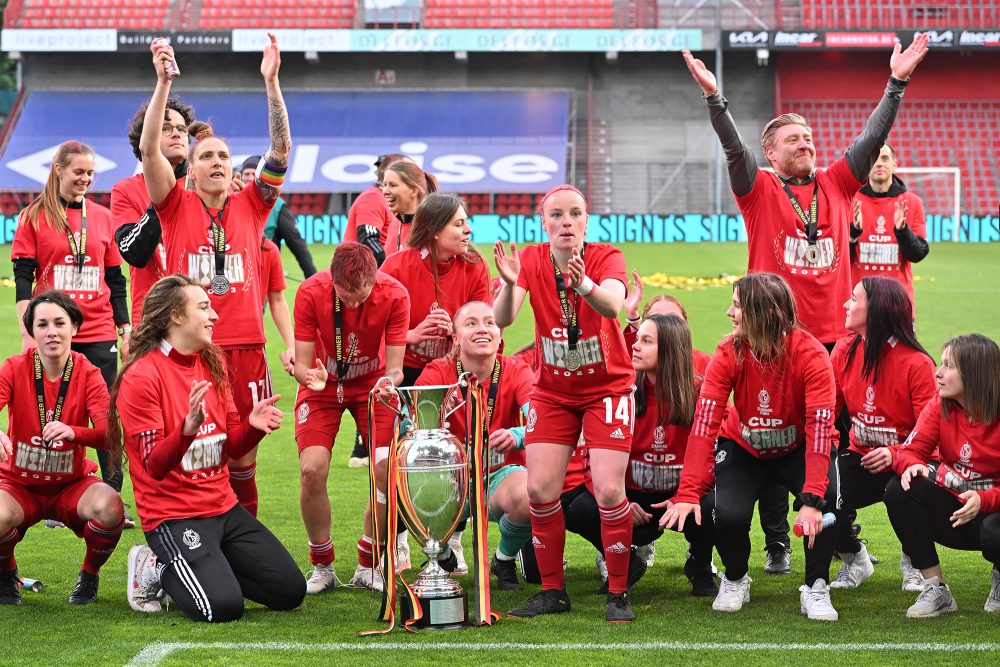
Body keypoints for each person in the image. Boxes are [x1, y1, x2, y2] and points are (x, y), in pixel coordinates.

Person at [681, 34, 929, 348]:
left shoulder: (837, 181)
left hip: (836, 338)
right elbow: (734, 149)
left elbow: (872, 139)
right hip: (773, 337)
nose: (804, 144)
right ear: (770, 153)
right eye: (793, 139)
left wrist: (896, 83)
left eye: (807, 138)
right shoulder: (759, 189)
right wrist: (713, 96)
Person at [139, 34, 291, 517]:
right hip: (194, 350)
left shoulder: (253, 203)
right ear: (191, 170)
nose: (219, 162)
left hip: (247, 348)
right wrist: (163, 82)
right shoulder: (174, 205)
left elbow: (281, 150)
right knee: (196, 451)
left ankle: (243, 549)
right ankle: (187, 535)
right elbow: (149, 151)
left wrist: (272, 83)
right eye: (207, 156)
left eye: (224, 156)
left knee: (243, 460)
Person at [113, 275, 305, 621]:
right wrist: (186, 430)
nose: (214, 315)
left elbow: (230, 447)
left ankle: (208, 563)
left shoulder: (211, 363)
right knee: (220, 607)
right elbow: (153, 467)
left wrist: (253, 428)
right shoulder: (142, 376)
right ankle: (154, 567)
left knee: (289, 591)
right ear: (176, 317)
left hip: (224, 508)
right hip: (174, 516)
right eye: (204, 307)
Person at [494, 184, 636, 623]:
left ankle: (617, 594)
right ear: (545, 222)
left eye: (575, 213)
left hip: (606, 388)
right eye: (557, 214)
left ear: (586, 221)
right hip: (554, 391)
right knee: (540, 490)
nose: (566, 222)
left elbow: (614, 306)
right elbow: (502, 320)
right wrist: (508, 283)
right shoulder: (531, 260)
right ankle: (553, 591)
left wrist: (585, 284)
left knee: (610, 490)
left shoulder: (605, 257)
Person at [664, 273, 840, 621]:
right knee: (727, 513)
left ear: (762, 313)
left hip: (799, 450)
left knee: (828, 502)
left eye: (738, 306)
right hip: (743, 448)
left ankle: (816, 585)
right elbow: (704, 424)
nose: (729, 313)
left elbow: (820, 429)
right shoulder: (729, 350)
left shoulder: (811, 355)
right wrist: (687, 491)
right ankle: (735, 578)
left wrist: (813, 499)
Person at [10, 141, 132, 520]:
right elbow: (23, 280)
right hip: (52, 330)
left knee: (106, 414)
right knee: (49, 410)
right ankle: (49, 491)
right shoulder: (33, 216)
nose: (85, 179)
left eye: (90, 173)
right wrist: (29, 332)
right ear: (58, 169)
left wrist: (124, 328)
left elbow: (115, 279)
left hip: (97, 330)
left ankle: (112, 495)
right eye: (78, 171)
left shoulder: (103, 216)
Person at [565, 314, 718, 597]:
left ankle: (699, 563)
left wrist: (687, 495)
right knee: (578, 509)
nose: (635, 346)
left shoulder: (699, 391)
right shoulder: (620, 390)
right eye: (637, 339)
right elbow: (592, 454)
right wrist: (619, 500)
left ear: (670, 349)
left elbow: (716, 453)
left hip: (678, 496)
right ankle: (624, 559)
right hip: (632, 498)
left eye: (646, 341)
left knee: (716, 505)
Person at [381, 192, 491, 574]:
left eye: (466, 222)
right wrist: (412, 335)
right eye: (459, 223)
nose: (467, 230)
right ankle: (396, 541)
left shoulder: (475, 266)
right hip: (405, 376)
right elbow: (373, 331)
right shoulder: (395, 266)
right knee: (397, 458)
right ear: (434, 229)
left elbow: (484, 324)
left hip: (453, 374)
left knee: (460, 458)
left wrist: (456, 333)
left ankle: (454, 540)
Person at [291, 242, 408, 594]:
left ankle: (368, 563)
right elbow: (300, 363)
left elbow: (397, 369)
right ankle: (322, 565)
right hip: (322, 383)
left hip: (374, 386)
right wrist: (307, 377)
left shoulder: (395, 294)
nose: (355, 303)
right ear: (332, 282)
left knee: (387, 468)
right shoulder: (311, 292)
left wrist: (388, 382)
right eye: (346, 296)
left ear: (375, 278)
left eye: (363, 294)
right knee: (312, 469)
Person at [0, 292, 125, 606]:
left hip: (71, 485)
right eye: (42, 324)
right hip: (18, 484)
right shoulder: (14, 367)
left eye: (59, 323)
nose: (51, 331)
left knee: (111, 508)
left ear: (75, 328)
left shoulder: (89, 373)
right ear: (31, 331)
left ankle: (89, 574)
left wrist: (74, 432)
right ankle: (6, 573)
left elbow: (110, 435)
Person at [415, 301, 536, 591]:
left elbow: (540, 418)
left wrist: (517, 434)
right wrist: (437, 411)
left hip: (499, 475)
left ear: (499, 334)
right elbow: (409, 428)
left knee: (533, 494)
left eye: (489, 322)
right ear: (455, 337)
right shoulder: (437, 374)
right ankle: (441, 555)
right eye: (471, 323)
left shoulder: (516, 369)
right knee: (405, 482)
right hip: (450, 481)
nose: (482, 328)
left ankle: (503, 558)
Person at [829, 277, 937, 591]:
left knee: (903, 490)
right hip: (862, 460)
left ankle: (915, 562)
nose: (845, 305)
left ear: (876, 310)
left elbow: (935, 438)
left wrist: (896, 454)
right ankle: (854, 557)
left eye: (853, 298)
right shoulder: (844, 350)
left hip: (913, 463)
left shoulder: (918, 364)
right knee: (820, 490)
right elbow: (829, 411)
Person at [884, 333, 1000, 618]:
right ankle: (936, 588)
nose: (938, 372)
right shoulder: (941, 403)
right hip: (955, 513)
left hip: (993, 515)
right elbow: (909, 451)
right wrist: (912, 464)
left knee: (995, 532)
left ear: (974, 374)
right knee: (899, 489)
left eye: (948, 366)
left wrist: (984, 500)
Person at [342, 154, 408, 468]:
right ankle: (363, 444)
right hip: (365, 292)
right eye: (390, 182)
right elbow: (370, 244)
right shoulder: (372, 200)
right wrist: (387, 284)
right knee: (370, 361)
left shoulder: (395, 211)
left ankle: (368, 444)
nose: (389, 188)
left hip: (374, 290)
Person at [113, 97, 196, 328]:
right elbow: (134, 253)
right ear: (147, 137)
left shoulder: (204, 187)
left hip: (201, 315)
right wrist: (164, 196)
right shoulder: (126, 190)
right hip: (153, 319)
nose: (177, 134)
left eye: (182, 129)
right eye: (166, 128)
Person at [850, 144, 929, 308]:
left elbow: (918, 254)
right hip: (859, 305)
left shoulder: (912, 202)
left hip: (898, 305)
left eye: (885, 159)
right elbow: (836, 258)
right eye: (874, 160)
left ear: (894, 164)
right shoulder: (850, 200)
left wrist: (902, 231)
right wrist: (853, 233)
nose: (879, 164)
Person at [239, 156, 316, 278]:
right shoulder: (228, 201)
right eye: (246, 174)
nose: (249, 178)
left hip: (263, 278)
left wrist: (312, 278)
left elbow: (297, 245)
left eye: (253, 174)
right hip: (234, 275)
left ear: (261, 178)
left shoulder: (277, 207)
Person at [344, 153, 410, 266]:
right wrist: (391, 270)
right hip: (362, 275)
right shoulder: (372, 199)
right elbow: (368, 242)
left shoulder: (384, 199)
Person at [381, 160, 438, 257]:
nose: (385, 191)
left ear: (413, 190)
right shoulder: (394, 224)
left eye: (393, 185)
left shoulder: (432, 229)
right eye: (385, 185)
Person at [258, 235, 295, 376]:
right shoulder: (210, 246)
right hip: (205, 345)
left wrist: (291, 345)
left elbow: (277, 299)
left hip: (251, 348)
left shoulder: (268, 249)